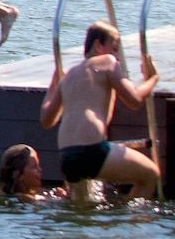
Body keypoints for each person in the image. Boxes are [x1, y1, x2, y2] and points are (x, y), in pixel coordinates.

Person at [40, 22, 161, 200]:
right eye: (114, 49)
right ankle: (129, 223)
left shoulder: (69, 76)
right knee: (150, 175)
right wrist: (152, 78)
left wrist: (52, 88)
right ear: (98, 46)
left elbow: (46, 120)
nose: (117, 57)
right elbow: (134, 100)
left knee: (82, 215)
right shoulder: (107, 62)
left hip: (67, 157)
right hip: (92, 151)